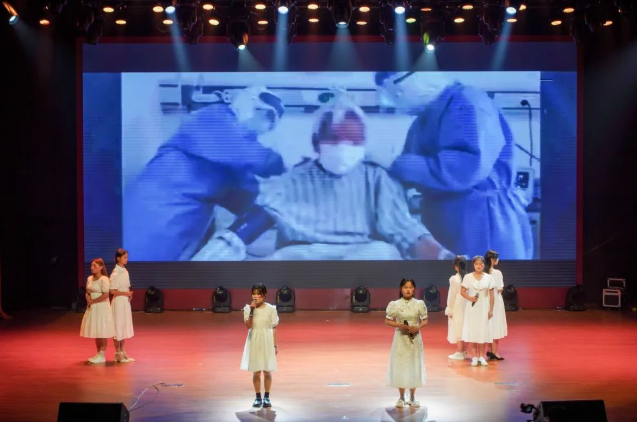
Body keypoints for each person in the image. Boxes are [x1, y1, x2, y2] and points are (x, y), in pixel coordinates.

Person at [255, 97, 455, 260]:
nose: (344, 147)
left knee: (382, 252)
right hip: (305, 255)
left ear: (363, 144)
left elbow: (405, 231)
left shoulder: (377, 179)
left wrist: (442, 256)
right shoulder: (292, 180)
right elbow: (261, 214)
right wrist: (235, 241)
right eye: (334, 139)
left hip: (361, 255)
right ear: (316, 142)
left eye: (354, 141)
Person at [375, 72, 534, 259]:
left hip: (480, 219)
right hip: (446, 220)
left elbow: (466, 169)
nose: (393, 101)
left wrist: (396, 163)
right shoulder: (425, 118)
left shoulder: (467, 103)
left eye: (397, 92)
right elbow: (411, 172)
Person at [124, 86, 286, 261]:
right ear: (246, 103)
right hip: (152, 214)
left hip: (178, 234)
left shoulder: (234, 161)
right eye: (263, 113)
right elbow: (249, 154)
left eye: (270, 121)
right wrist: (287, 168)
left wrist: (281, 200)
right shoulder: (213, 118)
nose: (263, 122)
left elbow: (247, 196)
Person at [385, 278, 428, 408]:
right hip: (400, 338)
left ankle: (413, 397)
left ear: (414, 289)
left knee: (414, 364)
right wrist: (400, 325)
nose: (408, 290)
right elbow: (387, 321)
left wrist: (417, 327)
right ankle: (401, 397)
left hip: (415, 339)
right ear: (401, 289)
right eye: (405, 287)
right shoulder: (395, 304)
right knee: (401, 365)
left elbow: (425, 320)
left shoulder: (419, 304)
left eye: (410, 287)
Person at [241, 283, 279, 408]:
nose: (255, 296)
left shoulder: (271, 309)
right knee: (256, 370)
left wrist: (275, 345)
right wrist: (252, 311)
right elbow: (249, 326)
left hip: (267, 340)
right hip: (254, 339)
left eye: (258, 294)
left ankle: (267, 397)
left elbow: (274, 327)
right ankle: (258, 397)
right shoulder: (248, 309)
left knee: (267, 370)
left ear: (264, 295)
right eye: (254, 293)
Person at [460, 255, 495, 367]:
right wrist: (470, 298)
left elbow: (492, 295)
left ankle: (481, 356)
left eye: (481, 264)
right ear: (473, 265)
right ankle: (474, 357)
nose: (479, 266)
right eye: (476, 264)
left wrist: (491, 310)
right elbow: (462, 291)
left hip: (484, 308)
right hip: (472, 308)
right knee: (473, 331)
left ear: (484, 265)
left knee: (482, 332)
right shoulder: (468, 277)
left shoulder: (489, 278)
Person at [80, 258, 116, 364]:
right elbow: (87, 291)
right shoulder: (90, 278)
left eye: (95, 266)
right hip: (92, 307)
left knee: (102, 330)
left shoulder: (104, 279)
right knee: (96, 330)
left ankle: (102, 354)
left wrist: (93, 301)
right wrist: (88, 299)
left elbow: (106, 294)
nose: (92, 268)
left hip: (101, 307)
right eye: (91, 266)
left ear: (101, 267)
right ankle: (98, 353)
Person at [110, 248, 135, 363]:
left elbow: (127, 286)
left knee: (123, 326)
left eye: (127, 257)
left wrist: (129, 294)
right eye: (125, 257)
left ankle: (123, 351)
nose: (126, 259)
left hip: (125, 301)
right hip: (119, 302)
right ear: (118, 258)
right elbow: (112, 290)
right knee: (118, 327)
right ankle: (118, 353)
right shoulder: (116, 273)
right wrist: (126, 293)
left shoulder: (125, 271)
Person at [485, 250, 507, 360]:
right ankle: (494, 351)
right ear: (492, 260)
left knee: (488, 325)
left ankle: (489, 350)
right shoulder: (497, 273)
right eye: (496, 258)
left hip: (485, 301)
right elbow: (500, 288)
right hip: (496, 302)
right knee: (496, 325)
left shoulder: (483, 273)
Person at [446, 255, 468, 360]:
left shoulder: (454, 279)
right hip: (467, 303)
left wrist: (449, 308)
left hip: (458, 304)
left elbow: (452, 295)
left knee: (458, 326)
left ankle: (459, 352)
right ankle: (464, 351)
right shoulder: (469, 277)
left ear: (456, 266)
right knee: (466, 326)